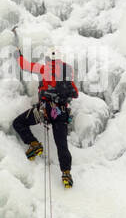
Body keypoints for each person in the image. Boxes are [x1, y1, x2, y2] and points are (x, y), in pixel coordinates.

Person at [13, 47, 78, 188]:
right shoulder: (67, 73)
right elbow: (75, 92)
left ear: (48, 59)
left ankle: (34, 144)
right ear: (60, 59)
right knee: (62, 145)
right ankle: (66, 173)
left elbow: (25, 66)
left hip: (45, 111)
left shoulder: (44, 69)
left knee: (18, 123)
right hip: (61, 114)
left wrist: (18, 55)